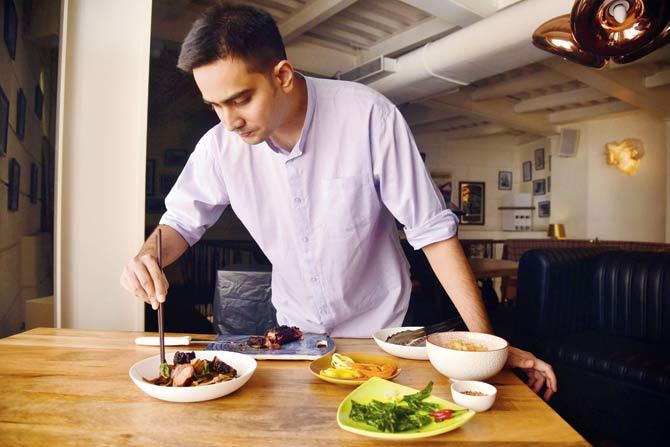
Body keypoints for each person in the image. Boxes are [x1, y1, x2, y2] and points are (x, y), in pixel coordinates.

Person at [120, 3, 557, 400]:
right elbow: (180, 222)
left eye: (240, 99)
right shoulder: (219, 146)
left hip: (385, 331)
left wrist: (485, 348)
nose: (229, 121)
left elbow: (432, 233)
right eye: (215, 105)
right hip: (296, 335)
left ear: (283, 75)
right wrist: (148, 254)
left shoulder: (370, 116)